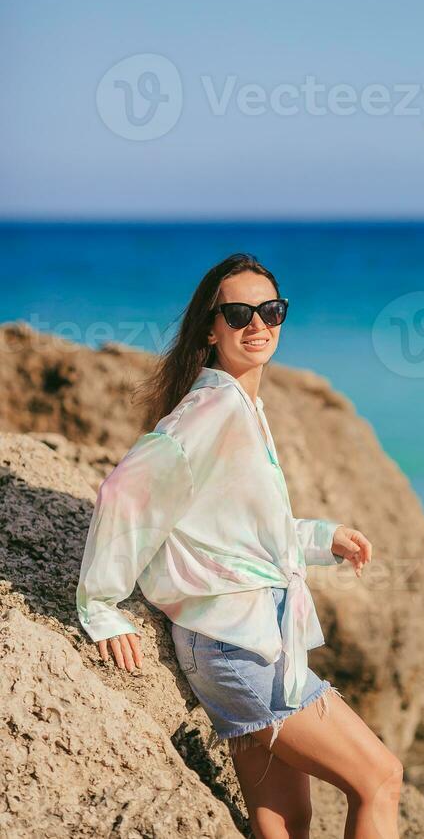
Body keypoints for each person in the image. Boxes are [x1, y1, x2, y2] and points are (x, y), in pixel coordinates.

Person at [76, 252, 403, 838]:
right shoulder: (215, 407)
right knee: (380, 778)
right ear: (211, 326)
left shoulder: (241, 402)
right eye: (238, 312)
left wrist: (324, 538)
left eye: (271, 310)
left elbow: (234, 532)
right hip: (237, 646)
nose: (258, 325)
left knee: (289, 823)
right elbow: (124, 492)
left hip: (240, 640)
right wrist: (101, 608)